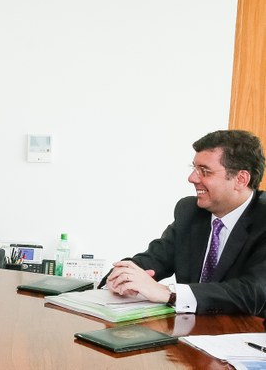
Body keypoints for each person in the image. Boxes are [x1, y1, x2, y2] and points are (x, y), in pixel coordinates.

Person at [103, 130, 266, 316]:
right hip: (189, 332)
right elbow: (153, 259)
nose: (192, 178)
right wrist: (122, 277)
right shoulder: (190, 211)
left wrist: (170, 294)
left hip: (246, 337)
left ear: (241, 179)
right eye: (194, 168)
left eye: (204, 171)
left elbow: (253, 293)